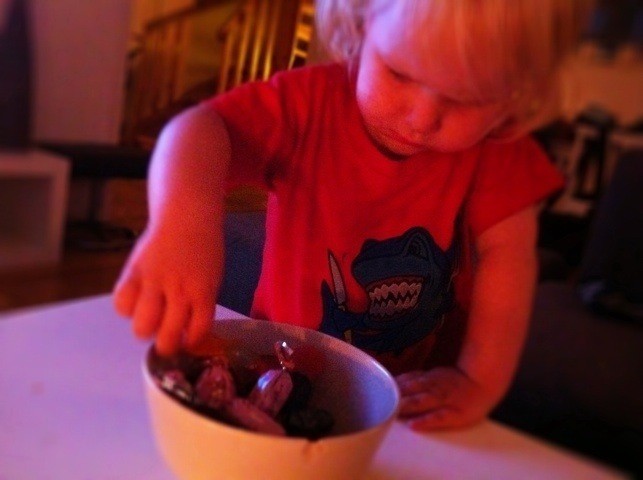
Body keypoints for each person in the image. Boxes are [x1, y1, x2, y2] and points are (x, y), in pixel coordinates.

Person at [114, 0, 594, 430]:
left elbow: (509, 255)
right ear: (361, 22)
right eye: (400, 73)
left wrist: (477, 380)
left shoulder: (497, 147)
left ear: (516, 93)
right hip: (280, 374)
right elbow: (199, 128)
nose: (422, 118)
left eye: (468, 98)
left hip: (409, 405)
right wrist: (184, 224)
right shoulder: (307, 106)